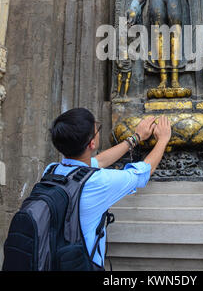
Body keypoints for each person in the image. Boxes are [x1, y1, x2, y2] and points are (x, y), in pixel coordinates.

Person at [46, 107, 171, 270]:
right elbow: (143, 172)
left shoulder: (51, 170)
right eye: (97, 129)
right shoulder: (99, 182)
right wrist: (163, 139)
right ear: (92, 143)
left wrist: (136, 138)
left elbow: (98, 161)